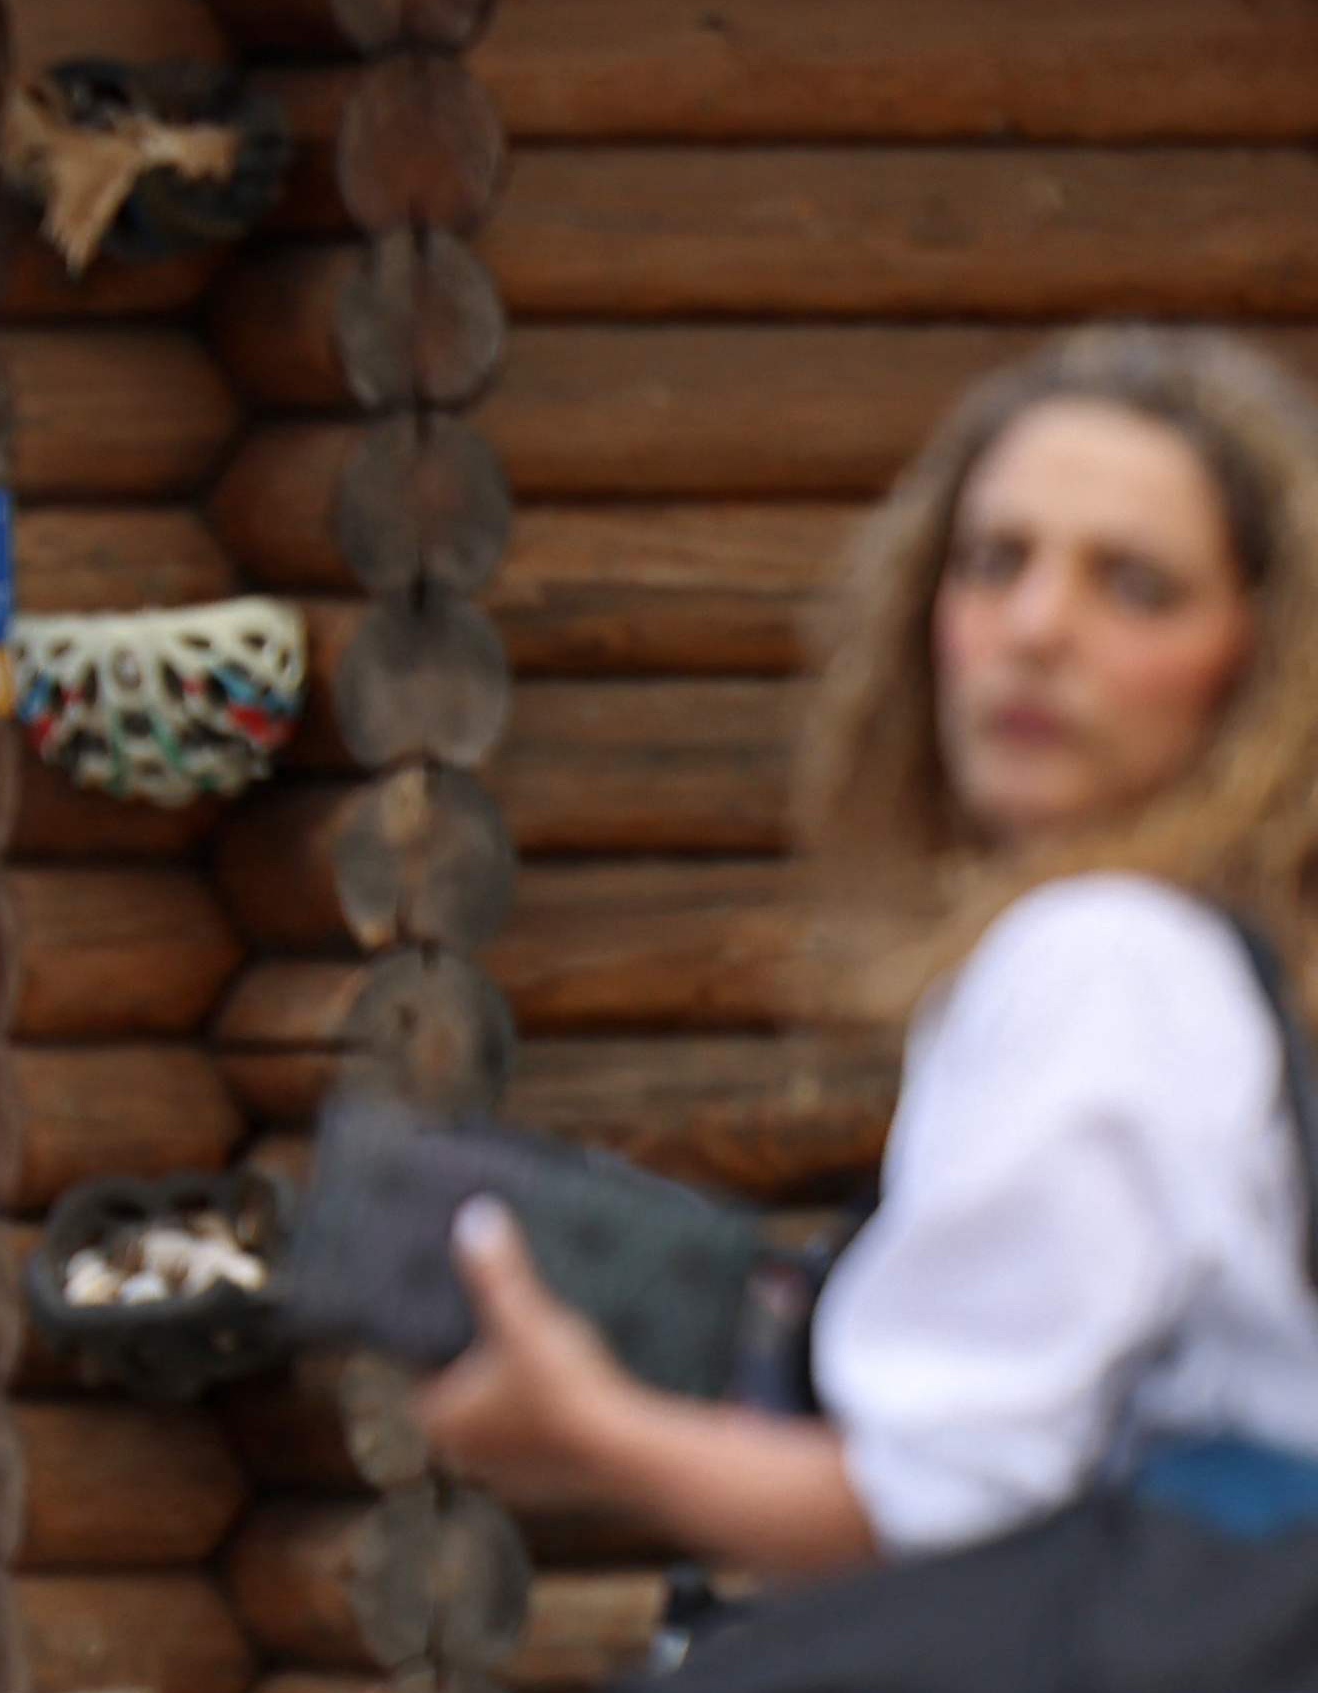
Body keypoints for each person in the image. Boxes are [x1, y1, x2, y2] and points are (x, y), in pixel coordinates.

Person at [425, 324, 1318, 1576]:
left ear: (1259, 661)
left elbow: (943, 1505)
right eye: (992, 562)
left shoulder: (1105, 961)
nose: (1034, 628)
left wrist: (592, 1431)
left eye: (1133, 585)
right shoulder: (1197, 962)